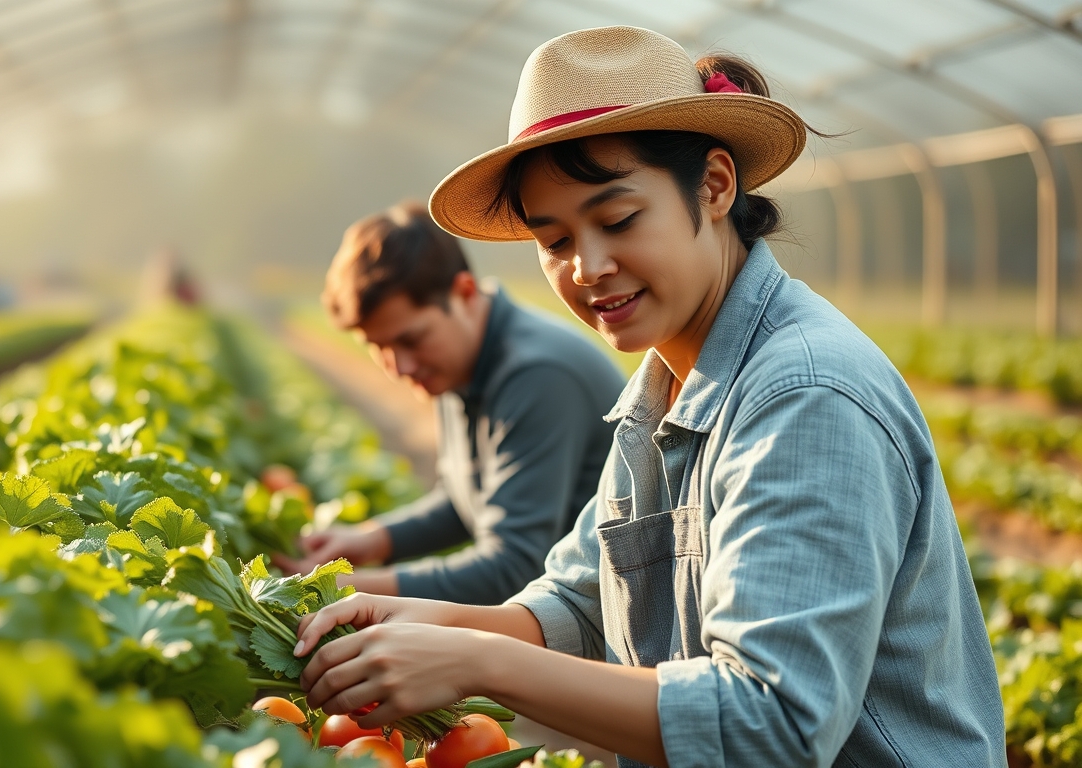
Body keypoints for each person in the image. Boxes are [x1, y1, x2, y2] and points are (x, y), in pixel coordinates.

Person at [292, 27, 1006, 768]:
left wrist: (478, 664)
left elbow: (776, 727)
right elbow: (574, 603)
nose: (588, 267)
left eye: (618, 219)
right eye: (555, 240)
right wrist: (417, 621)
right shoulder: (664, 383)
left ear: (715, 186)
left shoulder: (805, 393)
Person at [277, 202, 626, 606]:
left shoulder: (539, 376)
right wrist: (370, 540)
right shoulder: (456, 363)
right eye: (378, 347)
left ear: (463, 292)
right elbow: (465, 498)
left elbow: (513, 568)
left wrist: (351, 587)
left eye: (410, 339)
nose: (399, 366)